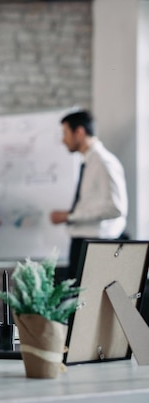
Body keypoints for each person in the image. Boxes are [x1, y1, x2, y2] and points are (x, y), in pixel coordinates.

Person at [50, 110, 127, 280]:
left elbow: (116, 208)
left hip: (98, 245)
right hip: (84, 243)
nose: (63, 140)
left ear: (79, 132)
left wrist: (71, 216)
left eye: (65, 133)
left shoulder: (104, 162)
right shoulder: (88, 161)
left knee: (89, 302)